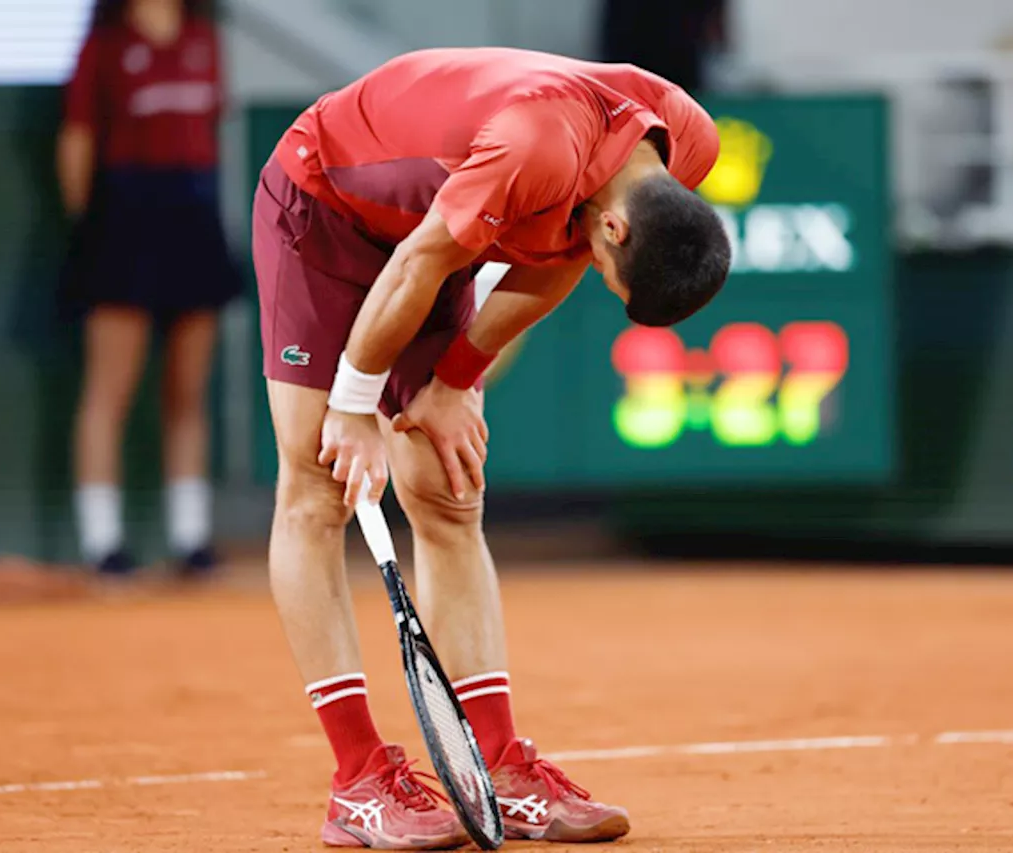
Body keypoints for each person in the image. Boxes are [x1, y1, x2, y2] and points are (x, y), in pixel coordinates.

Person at [252, 47, 730, 849]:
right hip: (327, 208)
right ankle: (359, 781)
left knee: (447, 487)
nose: (604, 280)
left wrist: (453, 380)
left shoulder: (683, 146)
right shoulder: (537, 147)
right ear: (620, 224)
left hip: (438, 230)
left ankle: (501, 769)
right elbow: (417, 265)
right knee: (314, 485)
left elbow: (561, 263)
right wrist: (354, 403)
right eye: (622, 281)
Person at [56, 0, 241, 577]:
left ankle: (191, 538)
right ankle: (103, 543)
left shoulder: (204, 39)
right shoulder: (104, 45)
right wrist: (93, 232)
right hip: (124, 216)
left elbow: (211, 128)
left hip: (192, 213)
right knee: (109, 389)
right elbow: (77, 139)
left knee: (187, 390)